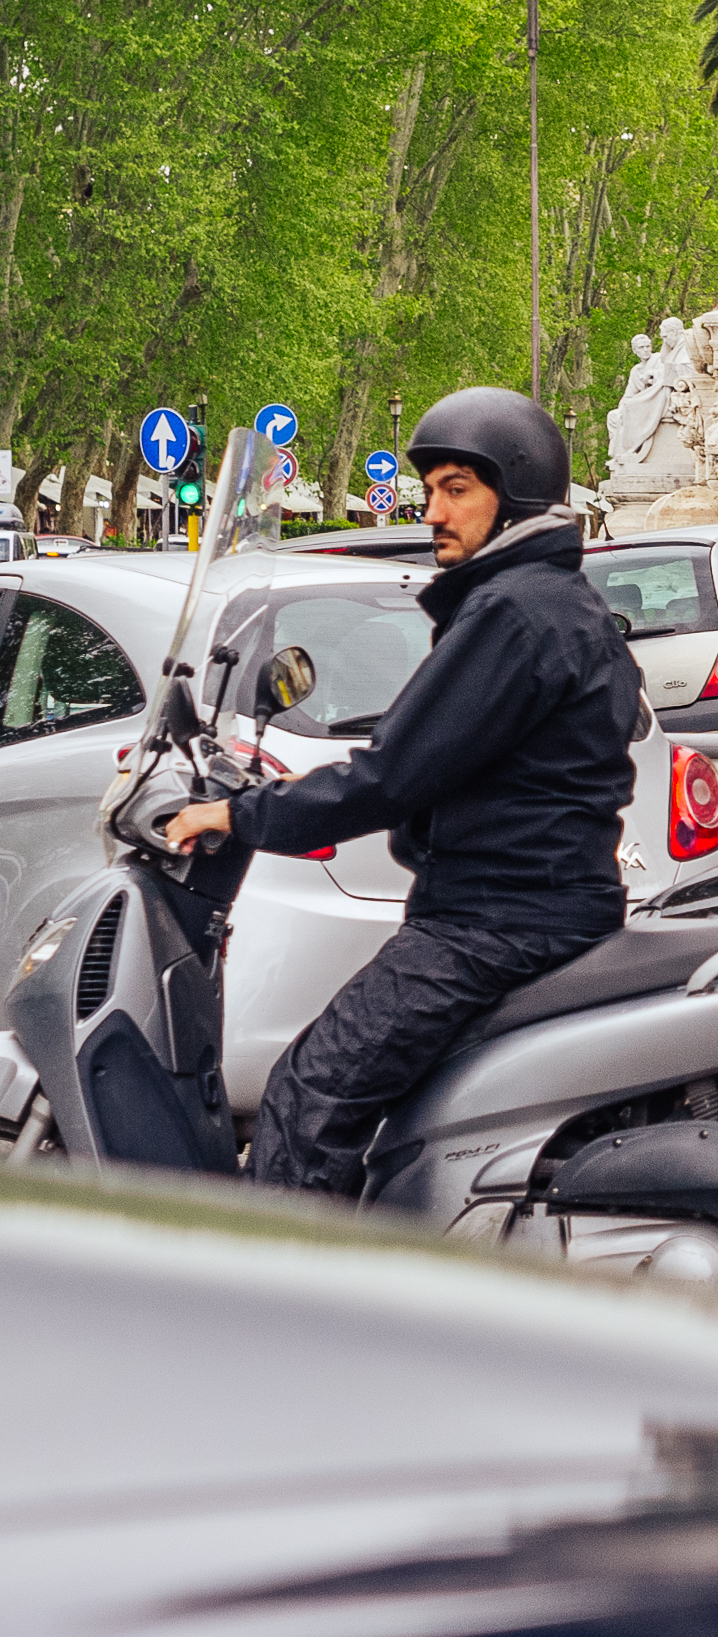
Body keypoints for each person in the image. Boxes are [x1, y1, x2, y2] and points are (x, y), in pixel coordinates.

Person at [161, 388, 639, 1195]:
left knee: (308, 1093)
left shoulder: (513, 615)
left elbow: (390, 775)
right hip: (538, 906)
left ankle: (281, 1310)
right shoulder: (556, 605)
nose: (434, 511)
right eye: (429, 492)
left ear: (515, 493)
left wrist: (237, 815)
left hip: (495, 922)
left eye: (457, 488)